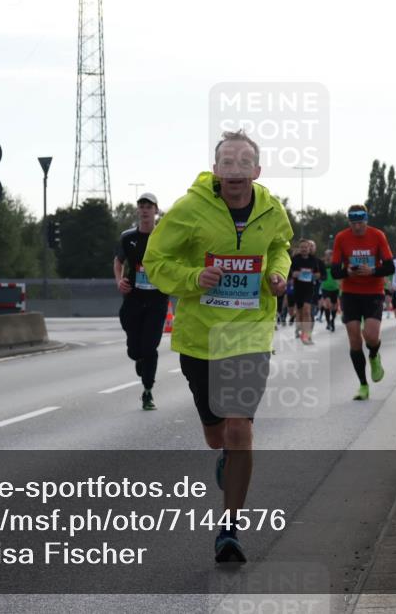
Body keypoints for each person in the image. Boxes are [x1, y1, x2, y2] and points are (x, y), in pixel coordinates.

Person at [143, 130, 291, 563]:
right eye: (227, 162)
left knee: (240, 428)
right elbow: (155, 260)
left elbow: (280, 245)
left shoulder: (271, 209)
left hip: (250, 332)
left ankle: (229, 528)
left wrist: (277, 273)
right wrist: (193, 279)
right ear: (216, 169)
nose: (235, 170)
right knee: (216, 436)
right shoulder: (190, 210)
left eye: (244, 163)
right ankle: (225, 453)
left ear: (256, 172)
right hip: (200, 337)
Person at [330, 205, 394, 400]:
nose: (357, 227)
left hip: (373, 291)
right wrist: (347, 272)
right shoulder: (341, 237)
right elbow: (334, 271)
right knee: (355, 340)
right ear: (349, 222)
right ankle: (363, 385)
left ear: (366, 220)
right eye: (353, 223)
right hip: (350, 293)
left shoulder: (378, 236)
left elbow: (390, 266)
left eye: (360, 222)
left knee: (371, 336)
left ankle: (374, 355)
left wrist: (373, 271)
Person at [113, 193, 170, 411]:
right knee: (135, 351)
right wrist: (119, 281)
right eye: (141, 206)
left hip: (156, 300)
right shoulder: (128, 237)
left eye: (149, 206)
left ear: (156, 210)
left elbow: (177, 261)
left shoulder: (165, 238)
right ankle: (138, 359)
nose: (145, 210)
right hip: (133, 299)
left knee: (150, 348)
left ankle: (147, 391)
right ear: (138, 210)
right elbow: (118, 262)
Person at [289, 239, 323, 345]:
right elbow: (289, 272)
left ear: (309, 249)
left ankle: (306, 336)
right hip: (298, 288)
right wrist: (294, 274)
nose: (304, 249)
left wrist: (313, 275)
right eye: (302, 247)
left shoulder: (314, 260)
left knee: (307, 311)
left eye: (306, 247)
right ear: (299, 249)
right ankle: (299, 328)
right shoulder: (295, 259)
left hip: (309, 289)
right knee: (300, 312)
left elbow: (318, 274)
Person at [318, 249, 340, 332]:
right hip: (325, 287)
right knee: (327, 304)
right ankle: (328, 323)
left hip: (335, 288)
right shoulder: (322, 264)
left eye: (330, 255)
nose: (328, 257)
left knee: (334, 306)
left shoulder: (336, 264)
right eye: (327, 255)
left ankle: (332, 320)